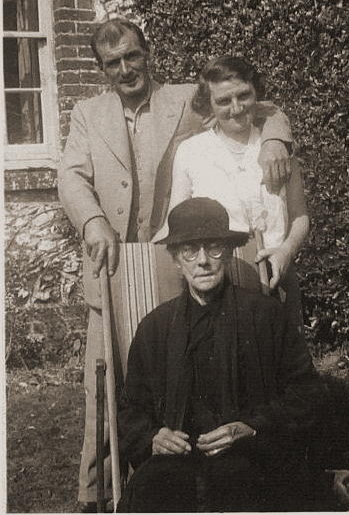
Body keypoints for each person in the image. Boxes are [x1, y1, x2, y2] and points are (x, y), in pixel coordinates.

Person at [57, 18, 294, 511]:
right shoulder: (86, 113)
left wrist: (276, 139)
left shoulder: (186, 98)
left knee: (193, 360)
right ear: (102, 70)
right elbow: (71, 177)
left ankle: (214, 466)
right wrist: (93, 220)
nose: (125, 69)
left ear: (148, 53)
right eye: (113, 63)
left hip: (177, 256)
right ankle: (97, 494)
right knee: (103, 380)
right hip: (113, 262)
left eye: (132, 56)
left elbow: (257, 105)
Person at [117, 197, 323, 512]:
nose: (203, 261)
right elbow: (130, 410)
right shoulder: (154, 328)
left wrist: (253, 427)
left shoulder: (264, 316)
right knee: (148, 493)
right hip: (174, 466)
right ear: (176, 259)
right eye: (190, 250)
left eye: (213, 248)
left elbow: (307, 393)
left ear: (227, 253)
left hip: (250, 459)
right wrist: (154, 437)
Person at [154, 55, 309, 331]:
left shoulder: (279, 148)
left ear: (256, 94)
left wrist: (285, 252)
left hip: (277, 276)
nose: (236, 108)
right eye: (223, 101)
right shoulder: (192, 152)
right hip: (219, 282)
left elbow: (300, 217)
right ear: (209, 106)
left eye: (243, 96)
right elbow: (174, 221)